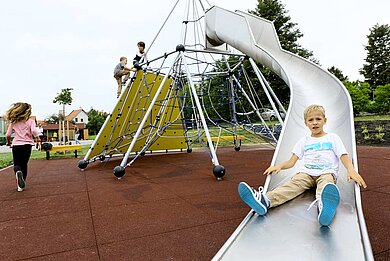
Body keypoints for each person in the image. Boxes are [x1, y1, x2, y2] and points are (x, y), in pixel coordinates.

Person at [238, 104, 367, 226]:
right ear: (306, 123)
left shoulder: (333, 138)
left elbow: (343, 156)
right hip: (306, 173)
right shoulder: (303, 141)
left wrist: (351, 170)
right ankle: (265, 201)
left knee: (326, 185)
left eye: (318, 119)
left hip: (327, 172)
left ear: (325, 121)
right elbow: (292, 161)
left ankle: (324, 207)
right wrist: (280, 166)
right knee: (291, 186)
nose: (315, 122)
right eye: (311, 120)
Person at [5, 102, 39, 192]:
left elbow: (8, 135)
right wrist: (38, 138)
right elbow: (35, 131)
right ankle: (22, 184)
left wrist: (9, 142)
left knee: (17, 164)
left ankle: (18, 173)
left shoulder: (14, 122)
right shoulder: (31, 121)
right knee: (24, 164)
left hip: (16, 145)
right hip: (27, 145)